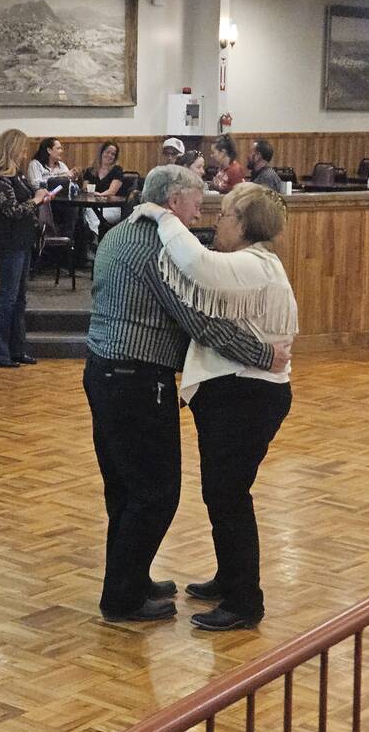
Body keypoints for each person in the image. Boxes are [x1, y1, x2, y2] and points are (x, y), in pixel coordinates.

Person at [85, 164, 290, 623]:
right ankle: (122, 597)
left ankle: (129, 578)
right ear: (173, 202)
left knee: (125, 488)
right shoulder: (161, 249)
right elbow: (198, 318)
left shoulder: (119, 233)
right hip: (137, 378)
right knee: (155, 493)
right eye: (197, 202)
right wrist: (261, 352)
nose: (204, 212)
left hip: (104, 372)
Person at [0, 129, 48, 368]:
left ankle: (16, 348)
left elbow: (25, 203)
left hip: (22, 240)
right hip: (9, 242)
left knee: (19, 298)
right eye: (21, 148)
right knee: (8, 297)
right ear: (11, 149)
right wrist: (36, 200)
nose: (25, 153)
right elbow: (13, 210)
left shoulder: (17, 175)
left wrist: (39, 197)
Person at [81, 140, 125, 234]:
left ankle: (94, 237)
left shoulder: (117, 170)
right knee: (84, 213)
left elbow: (112, 191)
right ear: (101, 152)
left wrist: (99, 195)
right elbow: (85, 189)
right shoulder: (90, 171)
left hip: (111, 207)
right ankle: (93, 238)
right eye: (107, 152)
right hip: (91, 206)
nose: (109, 156)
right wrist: (89, 193)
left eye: (113, 154)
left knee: (91, 215)